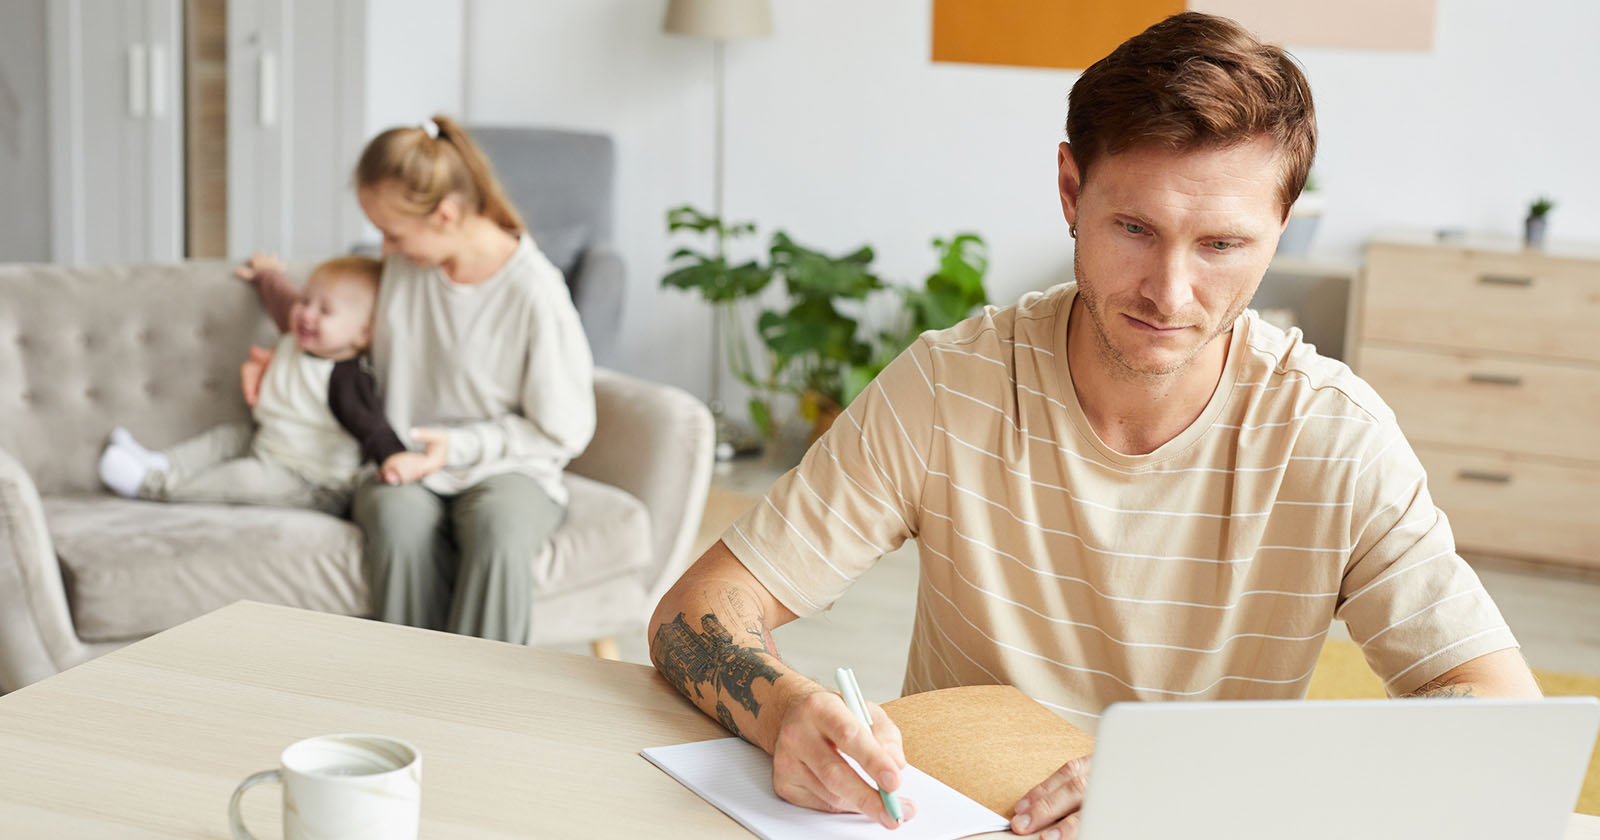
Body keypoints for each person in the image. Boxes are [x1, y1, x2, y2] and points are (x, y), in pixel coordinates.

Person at [647, 11, 1541, 838]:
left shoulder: (1334, 438)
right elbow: (698, 611)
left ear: (1283, 226)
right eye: (1134, 228)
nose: (1171, 292)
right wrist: (786, 711)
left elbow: (1504, 718)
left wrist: (1190, 780)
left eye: (1223, 245)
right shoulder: (951, 384)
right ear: (1071, 190)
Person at [246, 115, 595, 645]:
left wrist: (457, 447)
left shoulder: (534, 294)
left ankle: (479, 710)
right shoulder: (405, 270)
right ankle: (405, 700)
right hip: (405, 460)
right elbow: (328, 321)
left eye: (392, 233)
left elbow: (563, 431)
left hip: (507, 466)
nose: (384, 250)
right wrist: (279, 338)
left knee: (499, 531)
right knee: (394, 516)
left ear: (446, 215)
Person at [98, 256, 420, 514]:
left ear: (363, 333)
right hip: (267, 443)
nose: (307, 314)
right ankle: (161, 461)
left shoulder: (346, 378)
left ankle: (151, 484)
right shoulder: (298, 336)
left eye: (325, 310)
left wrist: (396, 458)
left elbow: (373, 427)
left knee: (242, 477)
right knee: (227, 437)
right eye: (306, 300)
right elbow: (283, 301)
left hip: (309, 482)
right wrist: (267, 275)